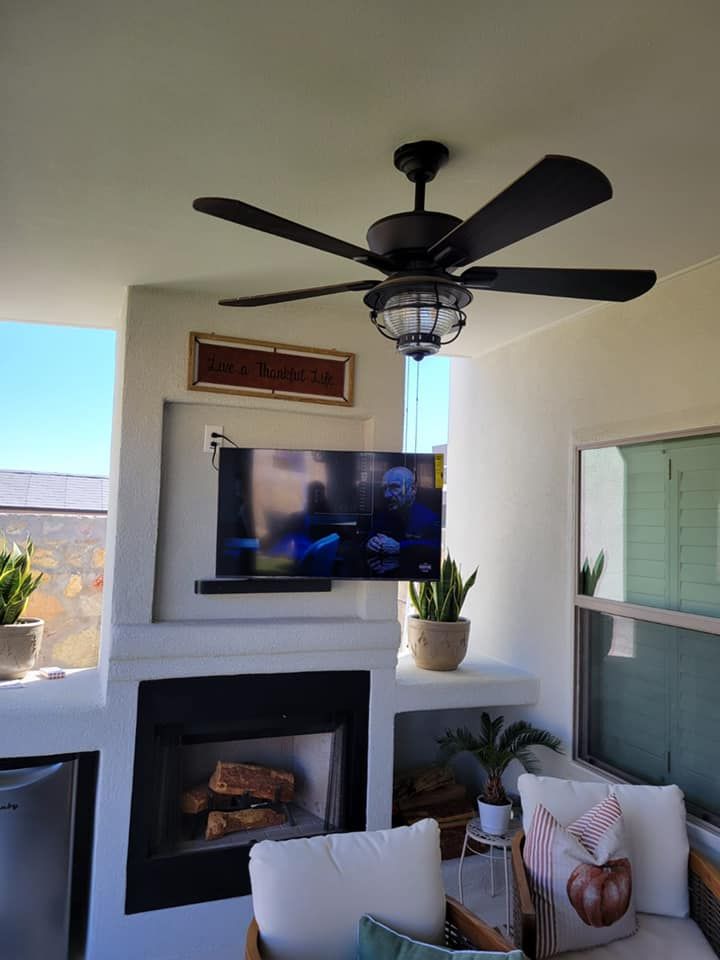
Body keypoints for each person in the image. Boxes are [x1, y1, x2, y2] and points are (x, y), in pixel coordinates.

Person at [366, 466, 440, 576]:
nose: (386, 495)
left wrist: (401, 547)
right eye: (385, 488)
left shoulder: (430, 518)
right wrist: (370, 543)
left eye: (394, 487)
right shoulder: (383, 515)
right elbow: (369, 536)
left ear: (413, 490)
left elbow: (438, 545)